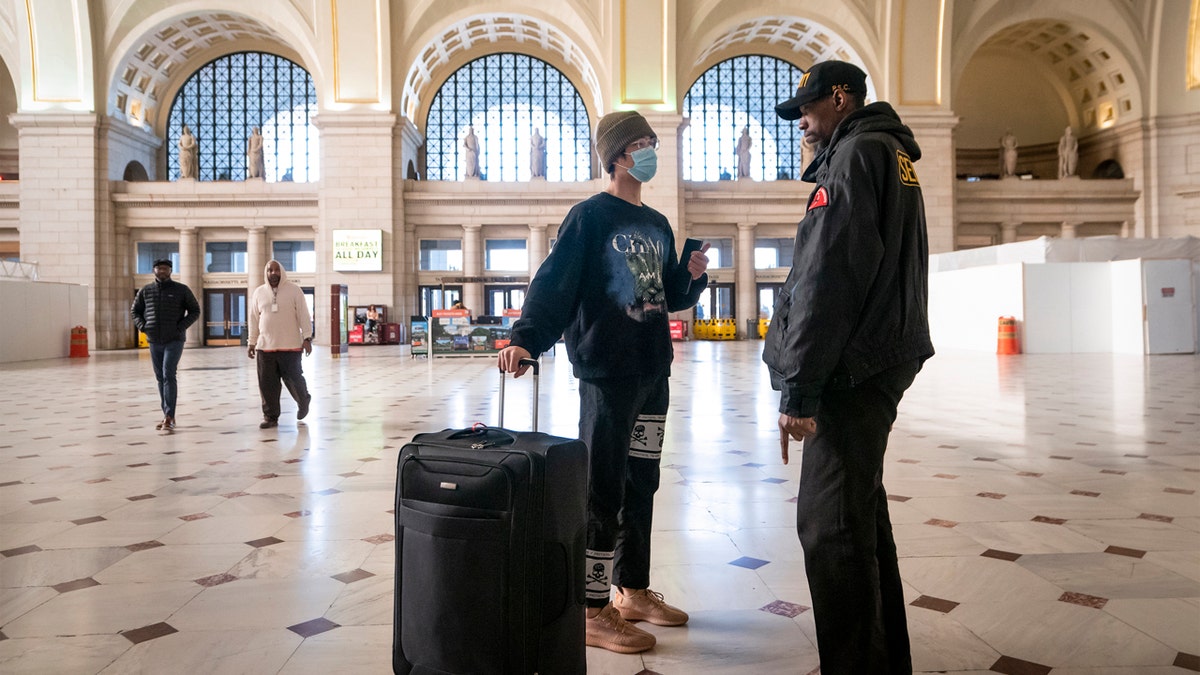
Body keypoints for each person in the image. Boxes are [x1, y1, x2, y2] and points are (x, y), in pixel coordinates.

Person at [498, 110, 710, 655]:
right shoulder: (589, 218)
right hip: (607, 374)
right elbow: (556, 283)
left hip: (651, 372)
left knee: (643, 482)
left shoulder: (659, 224)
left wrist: (691, 276)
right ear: (617, 155)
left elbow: (669, 296)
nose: (650, 152)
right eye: (641, 143)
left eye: (652, 143)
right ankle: (592, 610)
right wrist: (528, 337)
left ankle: (631, 591)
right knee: (602, 492)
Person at [767, 60, 934, 674]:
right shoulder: (893, 156)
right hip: (880, 355)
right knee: (859, 516)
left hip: (852, 367)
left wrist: (800, 390)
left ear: (842, 97)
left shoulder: (855, 156)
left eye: (809, 108)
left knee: (829, 528)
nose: (803, 122)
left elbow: (827, 278)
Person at [131, 258, 201, 433]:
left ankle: (169, 416)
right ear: (153, 270)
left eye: (165, 268)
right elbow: (135, 311)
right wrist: (143, 326)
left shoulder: (181, 290)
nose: (162, 271)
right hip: (154, 340)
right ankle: (167, 415)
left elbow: (195, 310)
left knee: (168, 373)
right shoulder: (146, 291)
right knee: (160, 377)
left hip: (174, 339)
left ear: (170, 271)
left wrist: (180, 327)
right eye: (158, 268)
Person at [248, 260, 313, 429]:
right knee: (267, 384)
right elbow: (254, 319)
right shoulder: (259, 293)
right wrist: (251, 342)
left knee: (294, 379)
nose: (273, 273)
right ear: (266, 272)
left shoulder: (294, 291)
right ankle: (270, 417)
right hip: (265, 347)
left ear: (282, 272)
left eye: (276, 270)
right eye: (270, 270)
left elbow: (304, 315)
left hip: (290, 345)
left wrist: (307, 337)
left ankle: (303, 400)